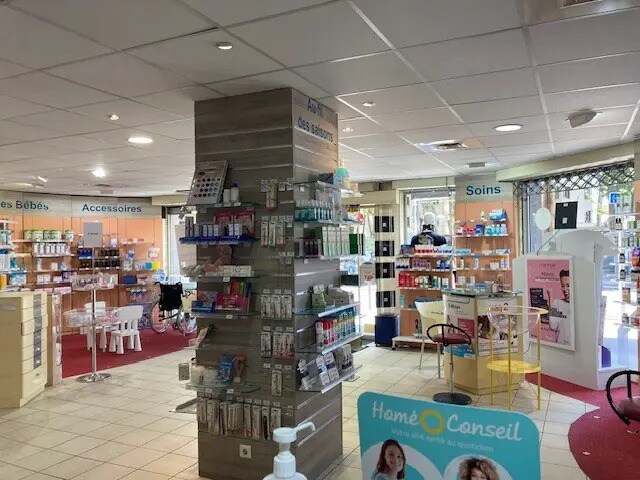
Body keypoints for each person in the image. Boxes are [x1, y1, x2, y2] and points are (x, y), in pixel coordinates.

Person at [546, 269, 570, 346]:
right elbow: (553, 326)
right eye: (563, 286)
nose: (565, 289)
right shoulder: (557, 303)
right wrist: (550, 297)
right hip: (561, 346)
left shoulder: (581, 305)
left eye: (568, 285)